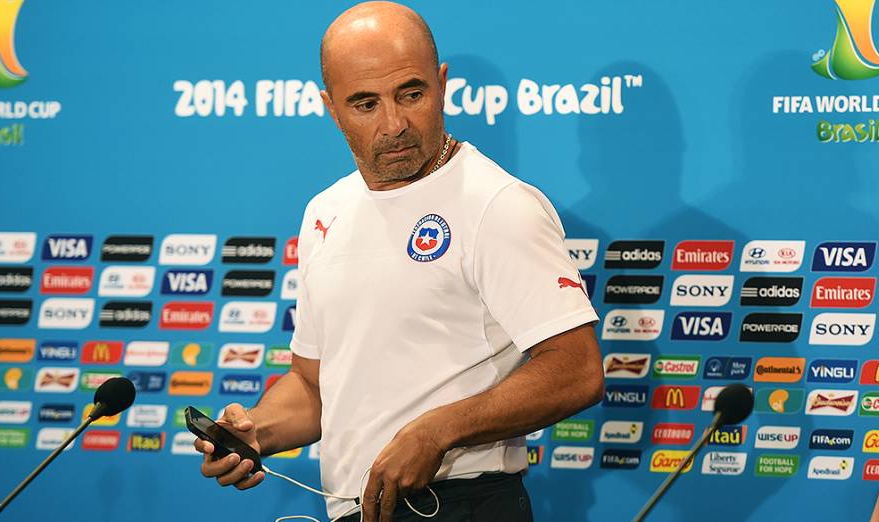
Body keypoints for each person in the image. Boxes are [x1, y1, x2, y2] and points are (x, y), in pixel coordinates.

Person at [194, 2, 604, 521]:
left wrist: (437, 430)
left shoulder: (497, 204)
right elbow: (316, 385)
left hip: (462, 505)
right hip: (355, 510)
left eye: (411, 93)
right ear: (331, 107)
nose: (394, 123)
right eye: (365, 104)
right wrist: (255, 431)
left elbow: (577, 370)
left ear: (442, 84)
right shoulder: (326, 211)